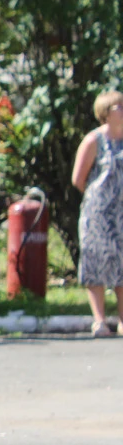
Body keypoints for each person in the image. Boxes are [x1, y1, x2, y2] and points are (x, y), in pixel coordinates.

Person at [72, 90, 123, 337]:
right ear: (105, 112)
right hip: (98, 214)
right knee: (96, 264)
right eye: (119, 106)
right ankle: (100, 320)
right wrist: (101, 199)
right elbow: (78, 179)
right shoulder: (93, 140)